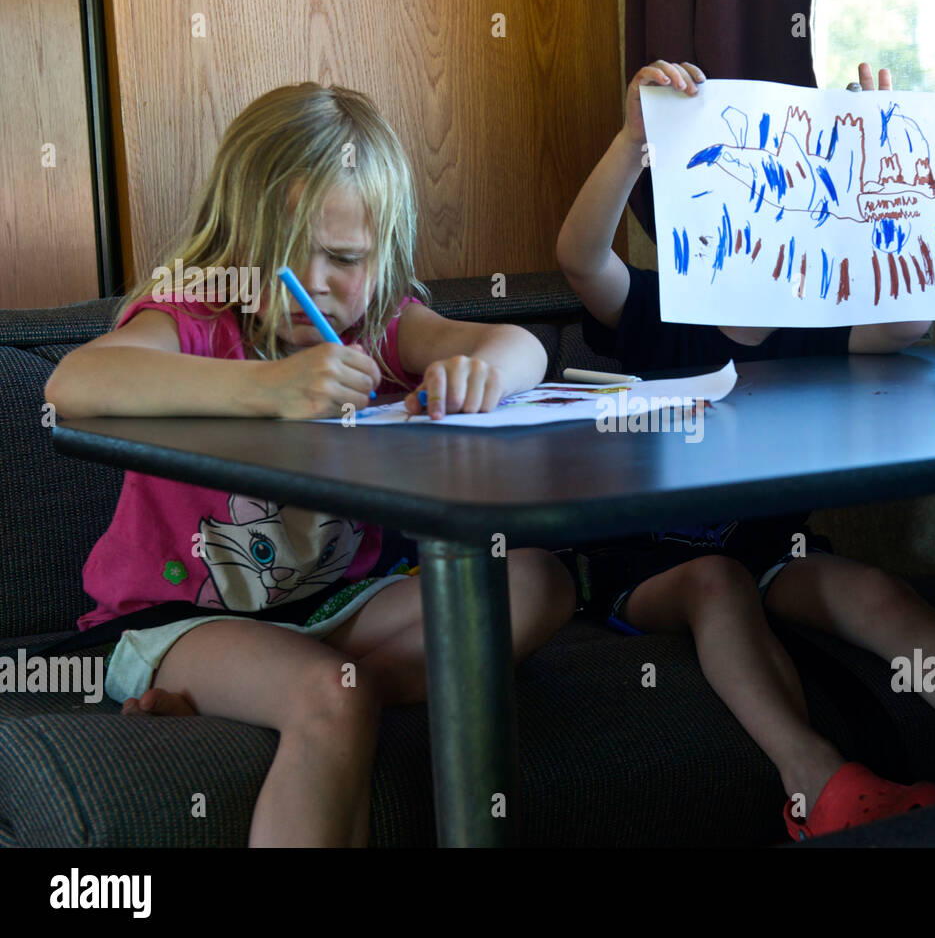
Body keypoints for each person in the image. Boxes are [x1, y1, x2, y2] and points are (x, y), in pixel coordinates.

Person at [555, 59, 935, 840]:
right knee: (716, 580)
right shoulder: (659, 305)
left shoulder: (817, 317)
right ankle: (817, 778)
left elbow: (911, 320)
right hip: (644, 563)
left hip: (776, 551)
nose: (760, 222)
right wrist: (635, 141)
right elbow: (578, 255)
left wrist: (885, 155)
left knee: (875, 593)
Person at [44, 83, 576, 847]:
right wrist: (269, 387)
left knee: (536, 583)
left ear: (382, 251)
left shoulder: (382, 327)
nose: (314, 283)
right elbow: (73, 384)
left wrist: (480, 373)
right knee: (337, 695)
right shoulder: (194, 319)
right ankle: (286, 689)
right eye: (283, 256)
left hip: (336, 608)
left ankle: (263, 692)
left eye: (344, 258)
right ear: (234, 240)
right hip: (179, 622)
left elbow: (521, 347)